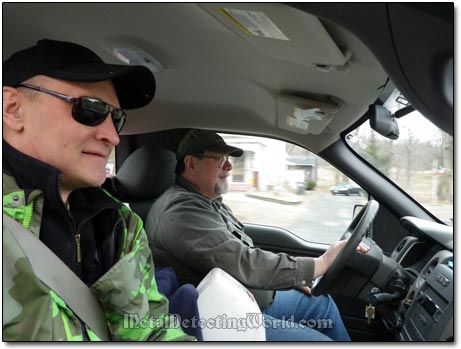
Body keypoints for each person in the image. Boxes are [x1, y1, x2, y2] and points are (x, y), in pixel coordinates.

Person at [2, 39, 195, 341]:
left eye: (116, 118)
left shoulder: (120, 225)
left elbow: (149, 331)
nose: (112, 137)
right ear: (13, 109)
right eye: (90, 109)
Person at [146, 129, 370, 341]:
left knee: (322, 305)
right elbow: (242, 262)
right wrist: (320, 263)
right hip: (221, 316)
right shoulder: (181, 212)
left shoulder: (209, 202)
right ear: (191, 163)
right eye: (220, 159)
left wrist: (289, 278)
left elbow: (246, 251)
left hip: (249, 297)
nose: (229, 166)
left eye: (229, 159)